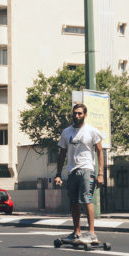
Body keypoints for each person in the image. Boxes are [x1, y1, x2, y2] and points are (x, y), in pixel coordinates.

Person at [54, 103, 105, 243]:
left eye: (80, 113)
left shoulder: (92, 131)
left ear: (85, 115)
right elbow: (62, 153)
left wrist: (100, 174)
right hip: (72, 171)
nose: (77, 116)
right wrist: (58, 174)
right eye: (75, 113)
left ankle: (92, 233)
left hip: (87, 169)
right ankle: (77, 233)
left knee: (87, 199)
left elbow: (100, 151)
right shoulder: (66, 132)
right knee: (74, 203)